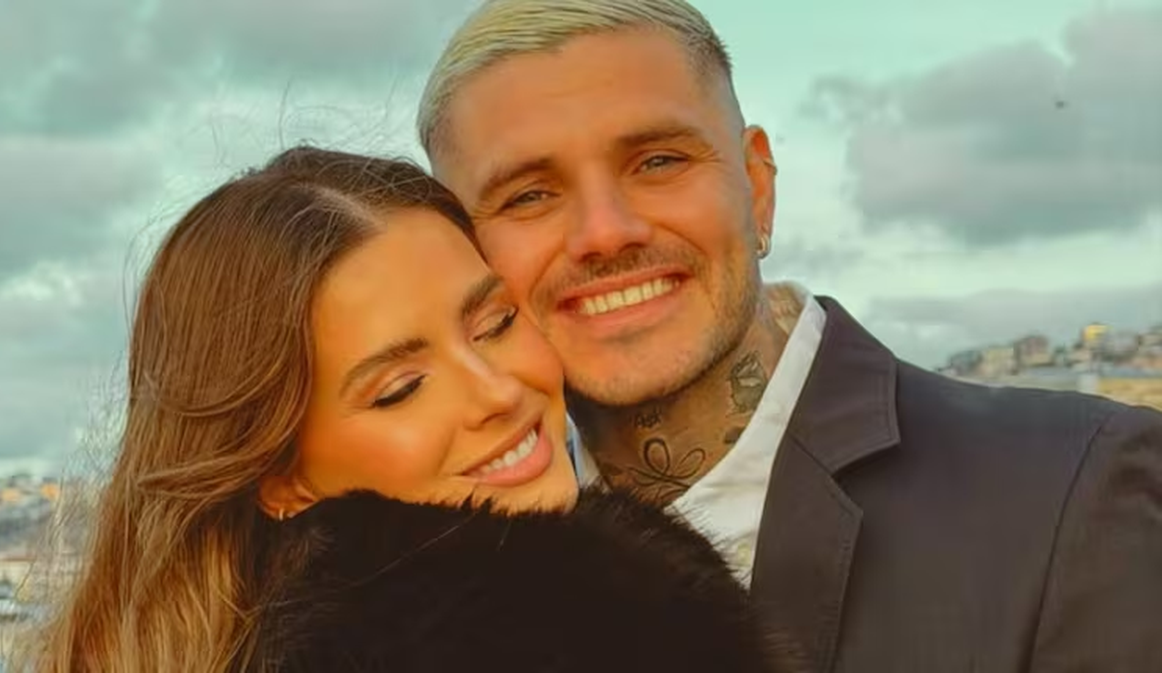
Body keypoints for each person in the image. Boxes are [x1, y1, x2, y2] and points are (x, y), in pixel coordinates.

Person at [416, 1, 1162, 671]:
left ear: (758, 186)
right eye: (530, 195)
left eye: (659, 161)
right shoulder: (441, 566)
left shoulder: (1075, 489)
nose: (606, 232)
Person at [13, 148, 785, 673]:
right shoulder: (622, 622)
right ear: (279, 474)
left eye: (495, 324)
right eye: (400, 388)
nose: (496, 391)